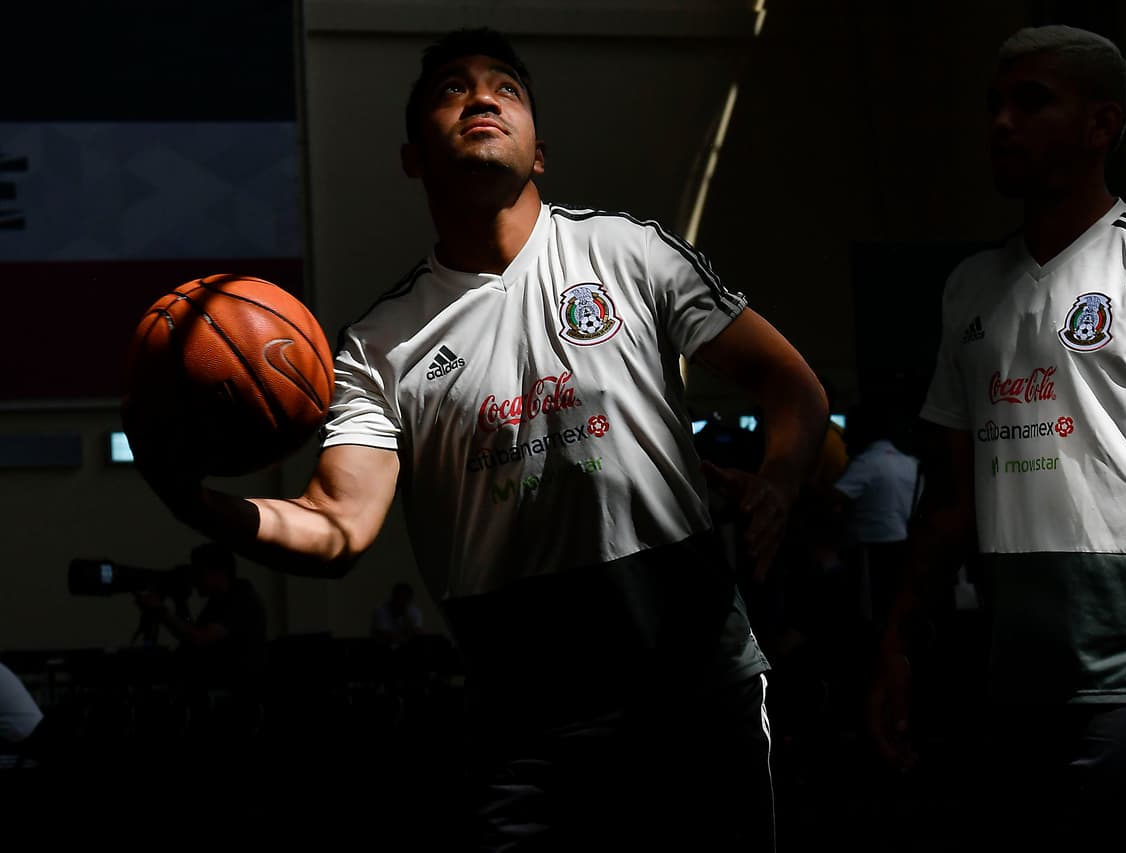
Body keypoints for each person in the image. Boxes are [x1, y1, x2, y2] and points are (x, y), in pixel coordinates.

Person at [124, 26, 828, 851]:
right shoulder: (377, 346)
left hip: (692, 686)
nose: (482, 97)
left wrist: (780, 478)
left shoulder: (628, 253)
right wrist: (199, 504)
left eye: (506, 87)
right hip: (528, 727)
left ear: (539, 155)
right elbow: (338, 525)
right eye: (452, 90)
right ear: (413, 158)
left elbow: (794, 387)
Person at [866, 24, 1126, 853]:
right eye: (994, 106)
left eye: (1031, 102)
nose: (1002, 125)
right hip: (1012, 672)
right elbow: (950, 497)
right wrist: (897, 644)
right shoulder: (970, 287)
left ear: (1102, 124)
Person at [135, 541, 268, 696]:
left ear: (220, 572)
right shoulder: (217, 603)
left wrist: (160, 611)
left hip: (237, 693)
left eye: (200, 572)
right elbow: (192, 635)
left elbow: (199, 638)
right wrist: (180, 603)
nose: (195, 579)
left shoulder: (241, 598)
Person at [833, 402, 921, 631]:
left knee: (871, 614)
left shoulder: (866, 463)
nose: (844, 438)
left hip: (871, 549)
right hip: (904, 545)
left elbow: (833, 499)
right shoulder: (909, 463)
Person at [371, 581, 426, 645]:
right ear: (393, 597)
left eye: (405, 598)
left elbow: (418, 633)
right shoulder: (381, 611)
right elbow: (384, 635)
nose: (401, 601)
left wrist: (406, 618)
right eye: (399, 598)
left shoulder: (415, 612)